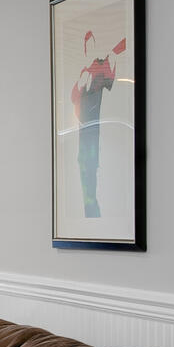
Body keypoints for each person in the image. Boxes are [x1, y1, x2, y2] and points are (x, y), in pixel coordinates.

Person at [70, 30, 126, 218]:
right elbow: (73, 97)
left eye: (92, 45)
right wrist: (80, 83)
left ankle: (94, 208)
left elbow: (110, 80)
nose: (90, 49)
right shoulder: (85, 70)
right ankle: (89, 207)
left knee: (92, 164)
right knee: (84, 164)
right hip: (83, 129)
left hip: (96, 129)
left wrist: (115, 54)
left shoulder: (102, 65)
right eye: (88, 46)